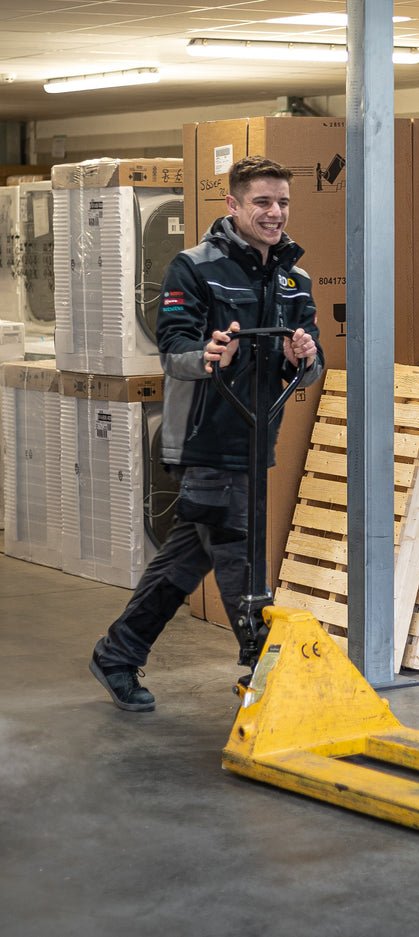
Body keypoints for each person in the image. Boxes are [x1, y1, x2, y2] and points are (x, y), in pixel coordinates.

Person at [90, 155, 324, 712]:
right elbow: (174, 353)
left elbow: (310, 368)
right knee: (241, 552)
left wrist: (305, 356)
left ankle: (117, 655)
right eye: (262, 202)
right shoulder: (194, 267)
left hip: (254, 436)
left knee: (185, 561)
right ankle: (266, 675)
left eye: (283, 202)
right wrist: (212, 354)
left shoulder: (295, 277)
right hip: (204, 436)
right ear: (234, 206)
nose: (275, 214)